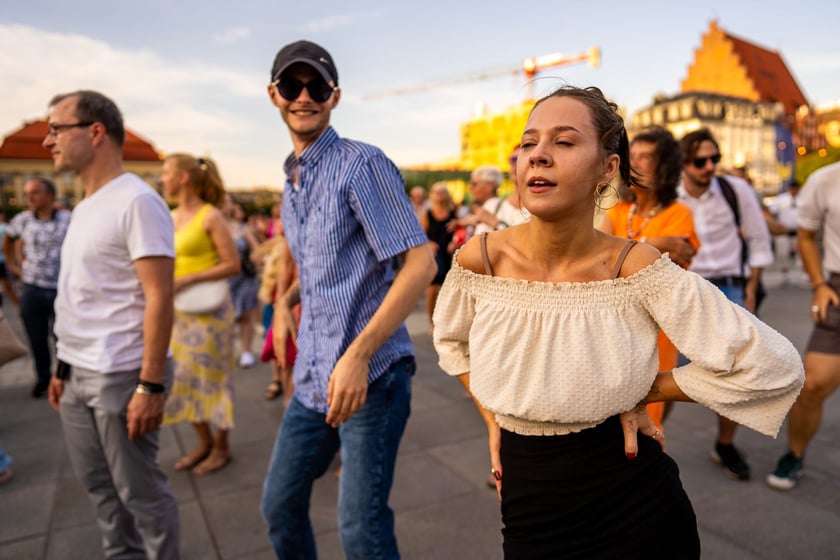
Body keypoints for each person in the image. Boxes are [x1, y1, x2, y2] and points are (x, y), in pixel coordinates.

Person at [432, 85, 803, 559]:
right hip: (529, 500)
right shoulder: (480, 258)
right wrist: (493, 421)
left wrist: (648, 389)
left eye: (564, 142)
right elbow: (451, 344)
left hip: (635, 499)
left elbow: (775, 366)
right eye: (528, 143)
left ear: (608, 168)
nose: (538, 156)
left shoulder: (635, 267)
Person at [260, 39, 435, 559]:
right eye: (293, 85)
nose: (304, 96)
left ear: (335, 95)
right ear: (274, 94)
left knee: (362, 532)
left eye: (317, 85)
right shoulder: (291, 178)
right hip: (315, 377)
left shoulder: (361, 163)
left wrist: (358, 356)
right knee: (279, 507)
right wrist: (291, 299)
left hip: (371, 376)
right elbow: (321, 263)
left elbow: (420, 262)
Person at [43, 90, 179, 558]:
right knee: (99, 490)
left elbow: (160, 295)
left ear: (95, 131)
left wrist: (151, 385)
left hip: (121, 373)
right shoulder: (84, 207)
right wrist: (62, 369)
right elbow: (80, 297)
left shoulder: (137, 201)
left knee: (141, 494)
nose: (48, 141)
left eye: (57, 129)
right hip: (77, 373)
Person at [677, 128, 774, 481]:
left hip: (731, 289)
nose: (709, 167)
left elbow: (759, 238)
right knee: (664, 372)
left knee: (735, 377)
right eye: (700, 161)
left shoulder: (736, 190)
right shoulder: (670, 196)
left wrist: (752, 286)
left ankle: (725, 444)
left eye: (714, 159)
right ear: (684, 163)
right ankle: (646, 444)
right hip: (685, 291)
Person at [598, 126, 700, 429]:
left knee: (647, 410)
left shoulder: (680, 213)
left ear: (664, 165)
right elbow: (597, 259)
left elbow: (673, 262)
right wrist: (652, 245)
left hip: (657, 328)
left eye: (646, 157)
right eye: (633, 156)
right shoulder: (619, 209)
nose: (635, 162)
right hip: (611, 324)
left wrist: (619, 253)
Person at [160, 154, 240, 475]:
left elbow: (232, 264)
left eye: (166, 173)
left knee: (213, 379)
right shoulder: (169, 216)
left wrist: (188, 279)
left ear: (183, 178)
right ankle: (204, 442)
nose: (161, 179)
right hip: (179, 312)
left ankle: (221, 447)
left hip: (209, 312)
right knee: (182, 378)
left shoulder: (211, 217)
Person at [767, 161, 840, 490]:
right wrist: (819, 285)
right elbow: (807, 237)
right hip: (837, 290)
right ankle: (795, 454)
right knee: (813, 385)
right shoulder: (825, 180)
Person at [2, 177, 71, 397]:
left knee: (62, 336)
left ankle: (64, 377)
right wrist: (14, 265)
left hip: (60, 288)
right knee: (36, 337)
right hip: (32, 287)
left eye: (35, 192)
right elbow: (9, 242)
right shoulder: (22, 220)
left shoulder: (67, 219)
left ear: (50, 195)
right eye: (27, 193)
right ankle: (43, 378)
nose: (29, 197)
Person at [223, 195, 261, 368]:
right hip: (223, 280)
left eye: (228, 201)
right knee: (226, 317)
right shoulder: (210, 224)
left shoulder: (241, 228)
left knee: (245, 315)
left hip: (244, 277)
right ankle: (226, 350)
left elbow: (257, 250)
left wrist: (253, 257)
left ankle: (246, 351)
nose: (225, 205)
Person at [420, 182, 457, 334]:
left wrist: (455, 242)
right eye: (437, 192)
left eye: (442, 192)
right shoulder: (427, 213)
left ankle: (448, 321)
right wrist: (429, 243)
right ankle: (432, 322)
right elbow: (421, 235)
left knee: (451, 290)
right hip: (434, 255)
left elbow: (461, 231)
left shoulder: (454, 212)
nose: (440, 194)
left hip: (450, 254)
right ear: (432, 195)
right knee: (432, 290)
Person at [766, 180, 802, 283]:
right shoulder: (781, 199)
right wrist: (775, 225)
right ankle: (785, 274)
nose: (794, 190)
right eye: (792, 188)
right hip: (784, 231)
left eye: (796, 188)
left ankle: (803, 274)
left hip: (799, 231)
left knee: (802, 254)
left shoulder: (803, 199)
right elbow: (770, 211)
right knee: (782, 254)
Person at [454, 165, 506, 235]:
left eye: (475, 184)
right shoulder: (488, 206)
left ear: (489, 186)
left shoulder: (493, 206)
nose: (470, 188)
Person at [0, 211, 20, 307]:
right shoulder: (5, 227)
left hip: (3, 261)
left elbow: (13, 242)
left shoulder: (4, 227)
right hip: (4, 261)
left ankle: (19, 305)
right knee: (7, 286)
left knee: (7, 286)